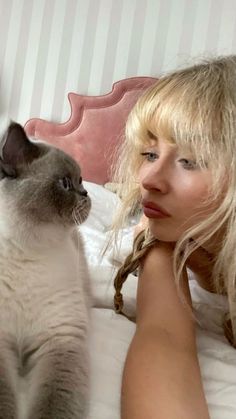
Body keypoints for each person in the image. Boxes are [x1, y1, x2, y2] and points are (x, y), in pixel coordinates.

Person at [111, 55, 236, 419]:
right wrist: (157, 251)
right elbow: (162, 335)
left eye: (190, 161)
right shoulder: (168, 238)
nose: (148, 179)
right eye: (149, 154)